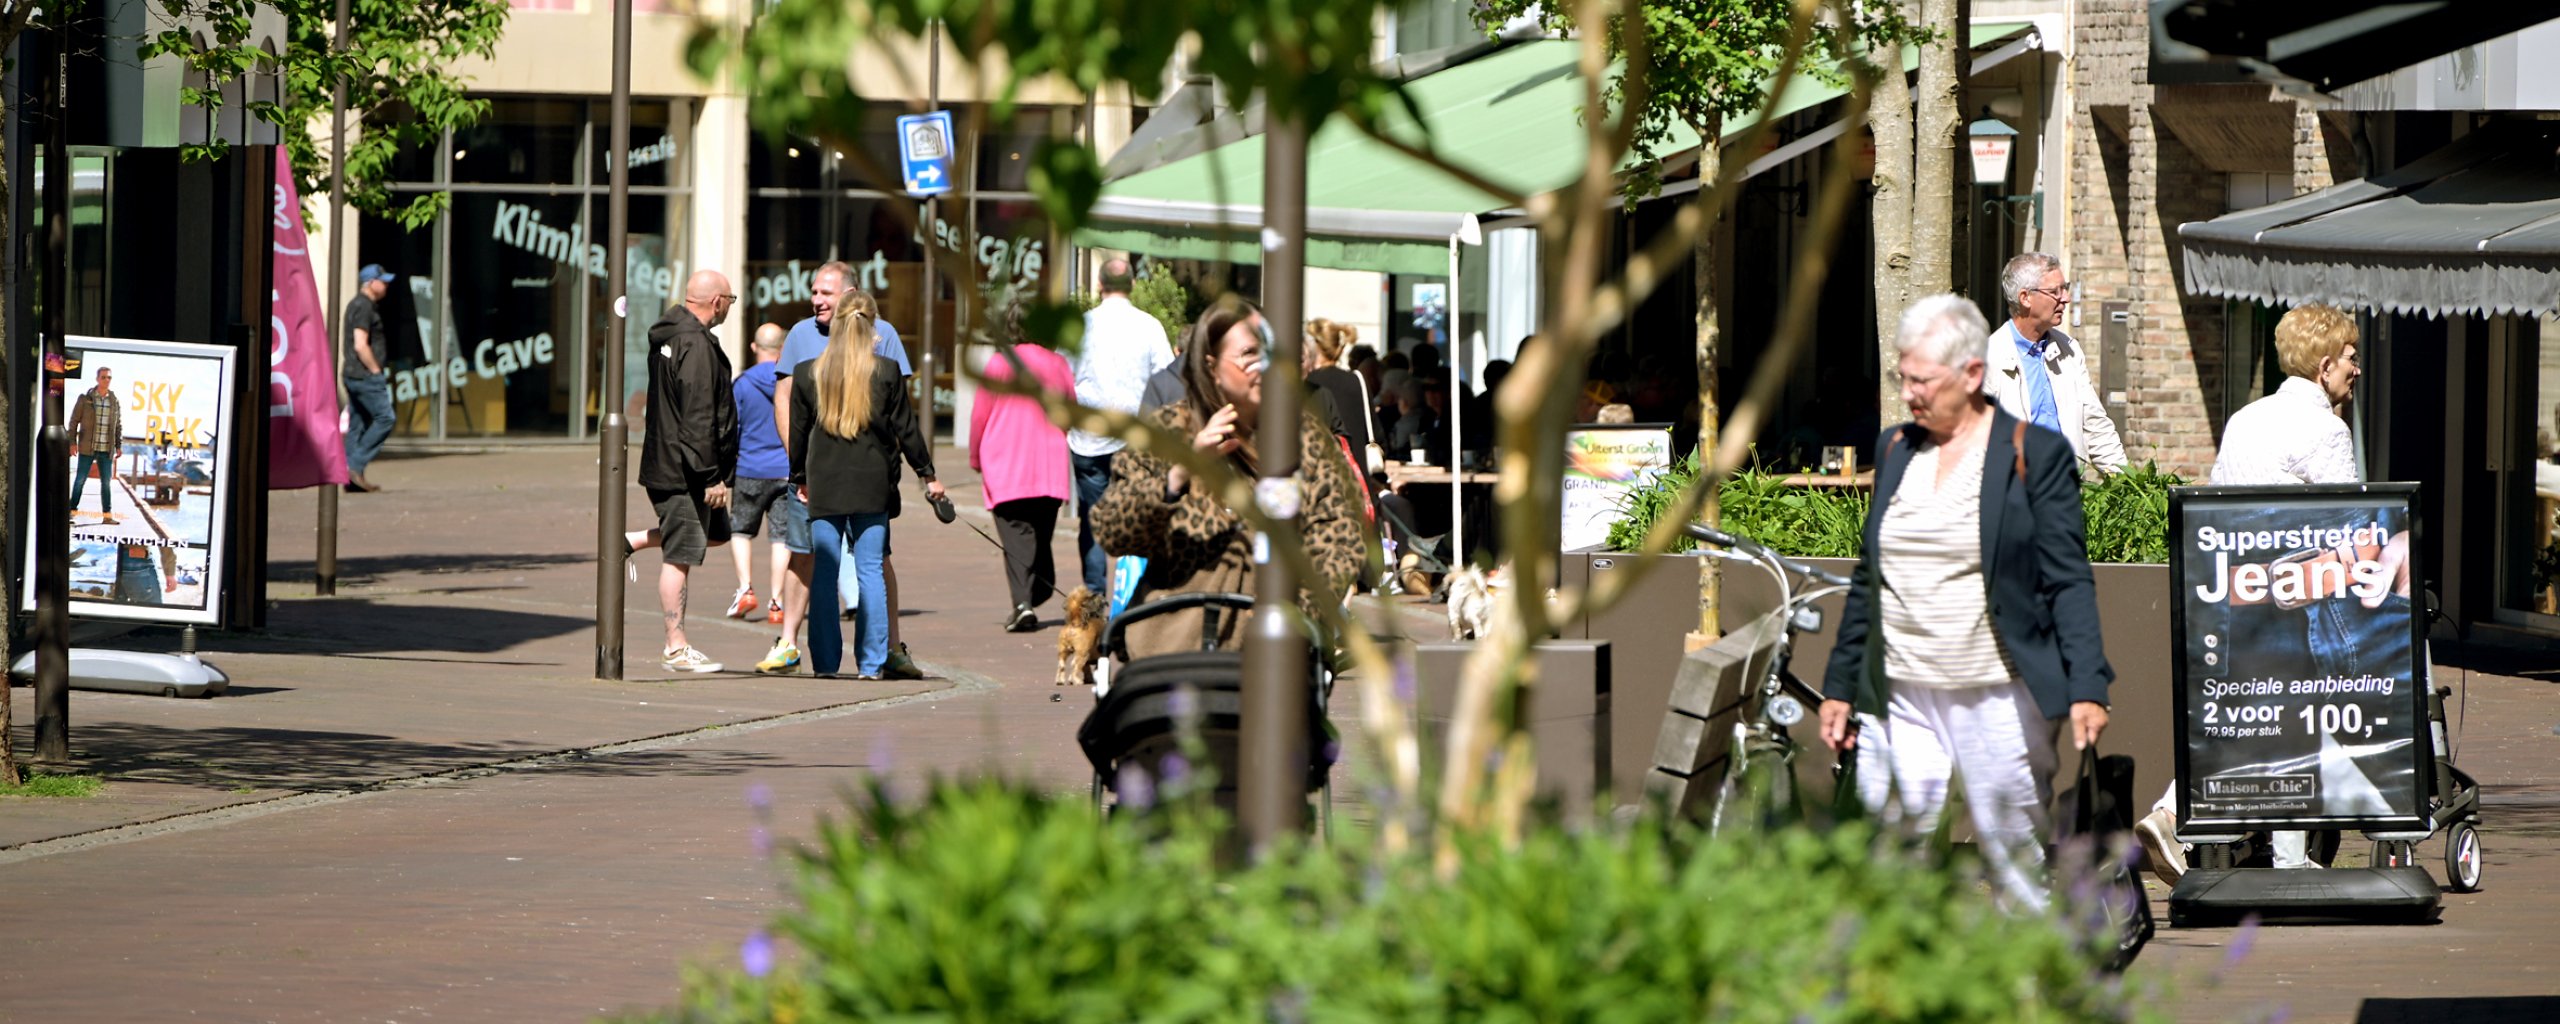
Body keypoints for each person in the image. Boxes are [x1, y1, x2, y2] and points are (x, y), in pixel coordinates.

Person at [1819, 293, 2114, 911]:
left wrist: (2087, 683)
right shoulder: (1897, 449)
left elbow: (2067, 578)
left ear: (1972, 375)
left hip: (1998, 692)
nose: (1909, 393)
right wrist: (1842, 684)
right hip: (1899, 692)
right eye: (1904, 378)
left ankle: (2029, 993)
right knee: (1887, 854)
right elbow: (1871, 576)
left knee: (2014, 857)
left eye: (1922, 380)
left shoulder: (2034, 453)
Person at [2134, 303, 2387, 882]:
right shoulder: (2327, 430)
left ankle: (2176, 814)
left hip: (2230, 591)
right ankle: (2278, 858)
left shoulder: (2246, 418)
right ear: (2324, 367)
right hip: (2290, 600)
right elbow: (2344, 522)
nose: (2357, 369)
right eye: (2351, 358)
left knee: (2244, 718)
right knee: (2295, 720)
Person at [1090, 295, 1366, 659]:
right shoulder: (1167, 432)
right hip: (1171, 647)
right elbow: (1112, 528)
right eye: (1249, 353)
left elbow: (1342, 535)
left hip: (1272, 656)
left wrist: (1299, 610)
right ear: (1211, 365)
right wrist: (1179, 475)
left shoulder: (1305, 439)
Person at [775, 263, 926, 678]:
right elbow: (906, 429)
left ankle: (825, 663)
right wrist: (927, 474)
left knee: (824, 571)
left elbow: (800, 433)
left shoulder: (810, 372)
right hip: (872, 485)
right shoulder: (886, 370)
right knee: (871, 570)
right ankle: (873, 663)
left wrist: (799, 479)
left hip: (823, 485)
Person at [625, 270, 741, 674]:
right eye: (731, 297)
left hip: (674, 462)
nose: (730, 304)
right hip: (684, 470)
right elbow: (697, 414)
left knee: (715, 535)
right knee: (680, 556)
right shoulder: (692, 342)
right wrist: (711, 475)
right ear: (716, 301)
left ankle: (636, 539)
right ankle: (676, 647)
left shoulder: (674, 334)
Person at [1071, 257, 1179, 594]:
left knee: (1093, 517)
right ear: (1133, 285)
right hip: (1136, 438)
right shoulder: (1149, 326)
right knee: (1137, 513)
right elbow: (1167, 377)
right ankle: (1132, 590)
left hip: (1089, 437)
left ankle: (1095, 593)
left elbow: (1063, 374)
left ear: (1099, 286)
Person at [970, 303, 1078, 632]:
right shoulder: (1058, 364)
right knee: (1039, 533)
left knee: (1016, 536)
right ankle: (1037, 590)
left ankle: (1023, 602)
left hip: (1005, 460)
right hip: (1047, 461)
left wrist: (975, 457)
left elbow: (980, 415)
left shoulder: (1000, 363)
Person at [1984, 252, 2127, 477]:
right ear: (2025, 298)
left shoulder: (2069, 349)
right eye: (2055, 291)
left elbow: (2096, 425)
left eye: (2065, 288)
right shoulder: (1987, 359)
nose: (2066, 298)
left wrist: (2127, 484)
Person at [728, 322, 812, 674]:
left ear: (753, 347)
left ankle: (746, 588)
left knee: (741, 531)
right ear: (781, 349)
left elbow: (733, 426)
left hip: (748, 468)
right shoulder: (787, 380)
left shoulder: (742, 383)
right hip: (782, 469)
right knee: (781, 537)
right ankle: (778, 600)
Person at [341, 264, 397, 493]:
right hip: (364, 375)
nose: (386, 285)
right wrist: (375, 370)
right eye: (382, 281)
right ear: (370, 283)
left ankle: (352, 478)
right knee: (385, 418)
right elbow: (360, 344)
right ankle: (353, 465)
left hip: (353, 373)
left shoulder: (358, 304)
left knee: (358, 422)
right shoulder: (364, 307)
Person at [67, 367, 124, 524]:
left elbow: (118, 426)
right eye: (104, 377)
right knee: (80, 480)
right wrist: (72, 443)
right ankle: (70, 513)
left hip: (106, 450)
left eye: (109, 378)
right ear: (97, 379)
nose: (106, 380)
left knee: (106, 483)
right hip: (87, 448)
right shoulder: (85, 399)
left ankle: (107, 517)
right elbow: (73, 422)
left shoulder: (114, 401)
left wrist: (119, 445)